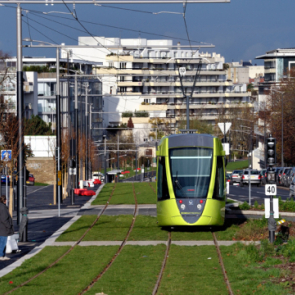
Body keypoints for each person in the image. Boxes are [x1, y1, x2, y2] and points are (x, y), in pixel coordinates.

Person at [0, 195, 14, 261]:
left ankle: (3, 255)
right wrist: (9, 226)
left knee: (2, 242)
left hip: (1, 227)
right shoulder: (3, 208)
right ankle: (1, 255)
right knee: (3, 242)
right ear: (5, 200)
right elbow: (4, 219)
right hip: (3, 228)